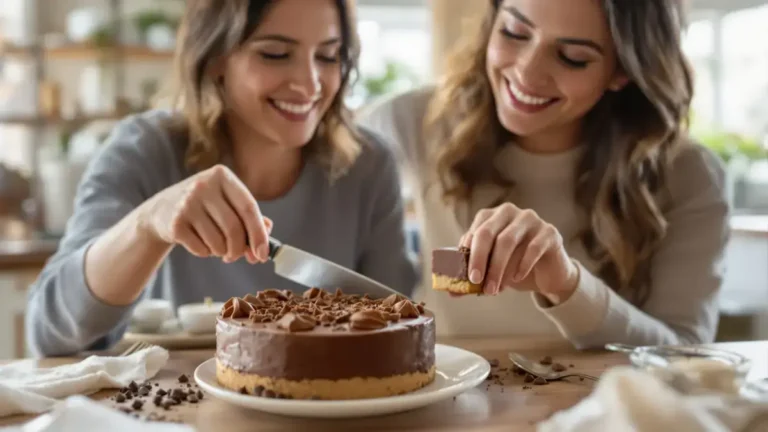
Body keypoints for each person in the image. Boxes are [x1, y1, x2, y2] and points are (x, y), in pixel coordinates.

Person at [25, 0, 418, 357]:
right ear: (214, 57)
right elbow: (51, 334)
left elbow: (402, 331)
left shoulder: (369, 165)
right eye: (276, 54)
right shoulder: (144, 149)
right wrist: (148, 225)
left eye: (329, 56)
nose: (310, 82)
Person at [358, 0, 729, 348]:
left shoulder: (690, 175)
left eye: (573, 58)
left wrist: (567, 285)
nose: (527, 72)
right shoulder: (410, 121)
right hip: (452, 403)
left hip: (605, 410)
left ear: (622, 72)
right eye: (514, 33)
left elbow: (686, 354)